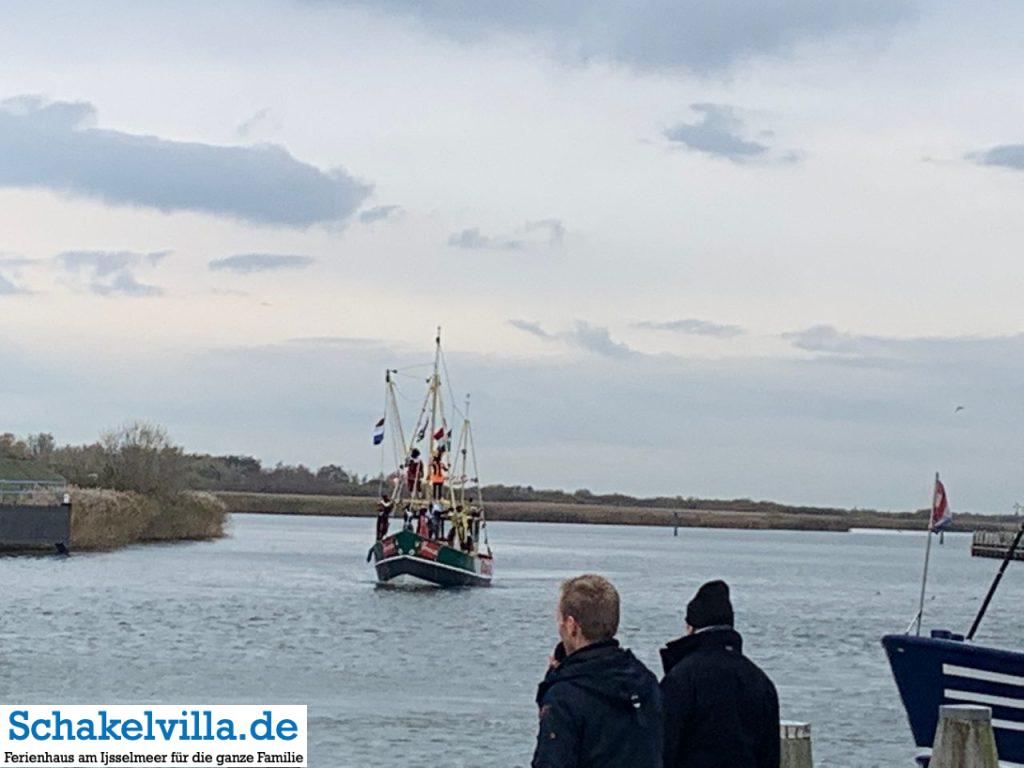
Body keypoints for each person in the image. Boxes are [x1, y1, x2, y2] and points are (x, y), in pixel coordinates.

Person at [532, 574, 662, 768]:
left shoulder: (565, 696)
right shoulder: (645, 681)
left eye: (559, 620)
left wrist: (553, 683)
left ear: (571, 625)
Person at [659, 580, 779, 768]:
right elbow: (770, 757)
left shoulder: (681, 678)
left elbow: (663, 749)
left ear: (690, 627)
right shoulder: (761, 682)